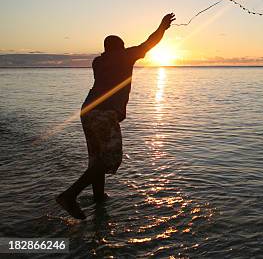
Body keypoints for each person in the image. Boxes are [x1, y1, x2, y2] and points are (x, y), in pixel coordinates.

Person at [56, 13, 176, 219]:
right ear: (121, 47)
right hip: (104, 113)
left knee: (96, 160)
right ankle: (70, 195)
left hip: (87, 112)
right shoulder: (124, 56)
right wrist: (162, 27)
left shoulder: (98, 62)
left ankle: (99, 197)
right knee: (111, 159)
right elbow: (150, 42)